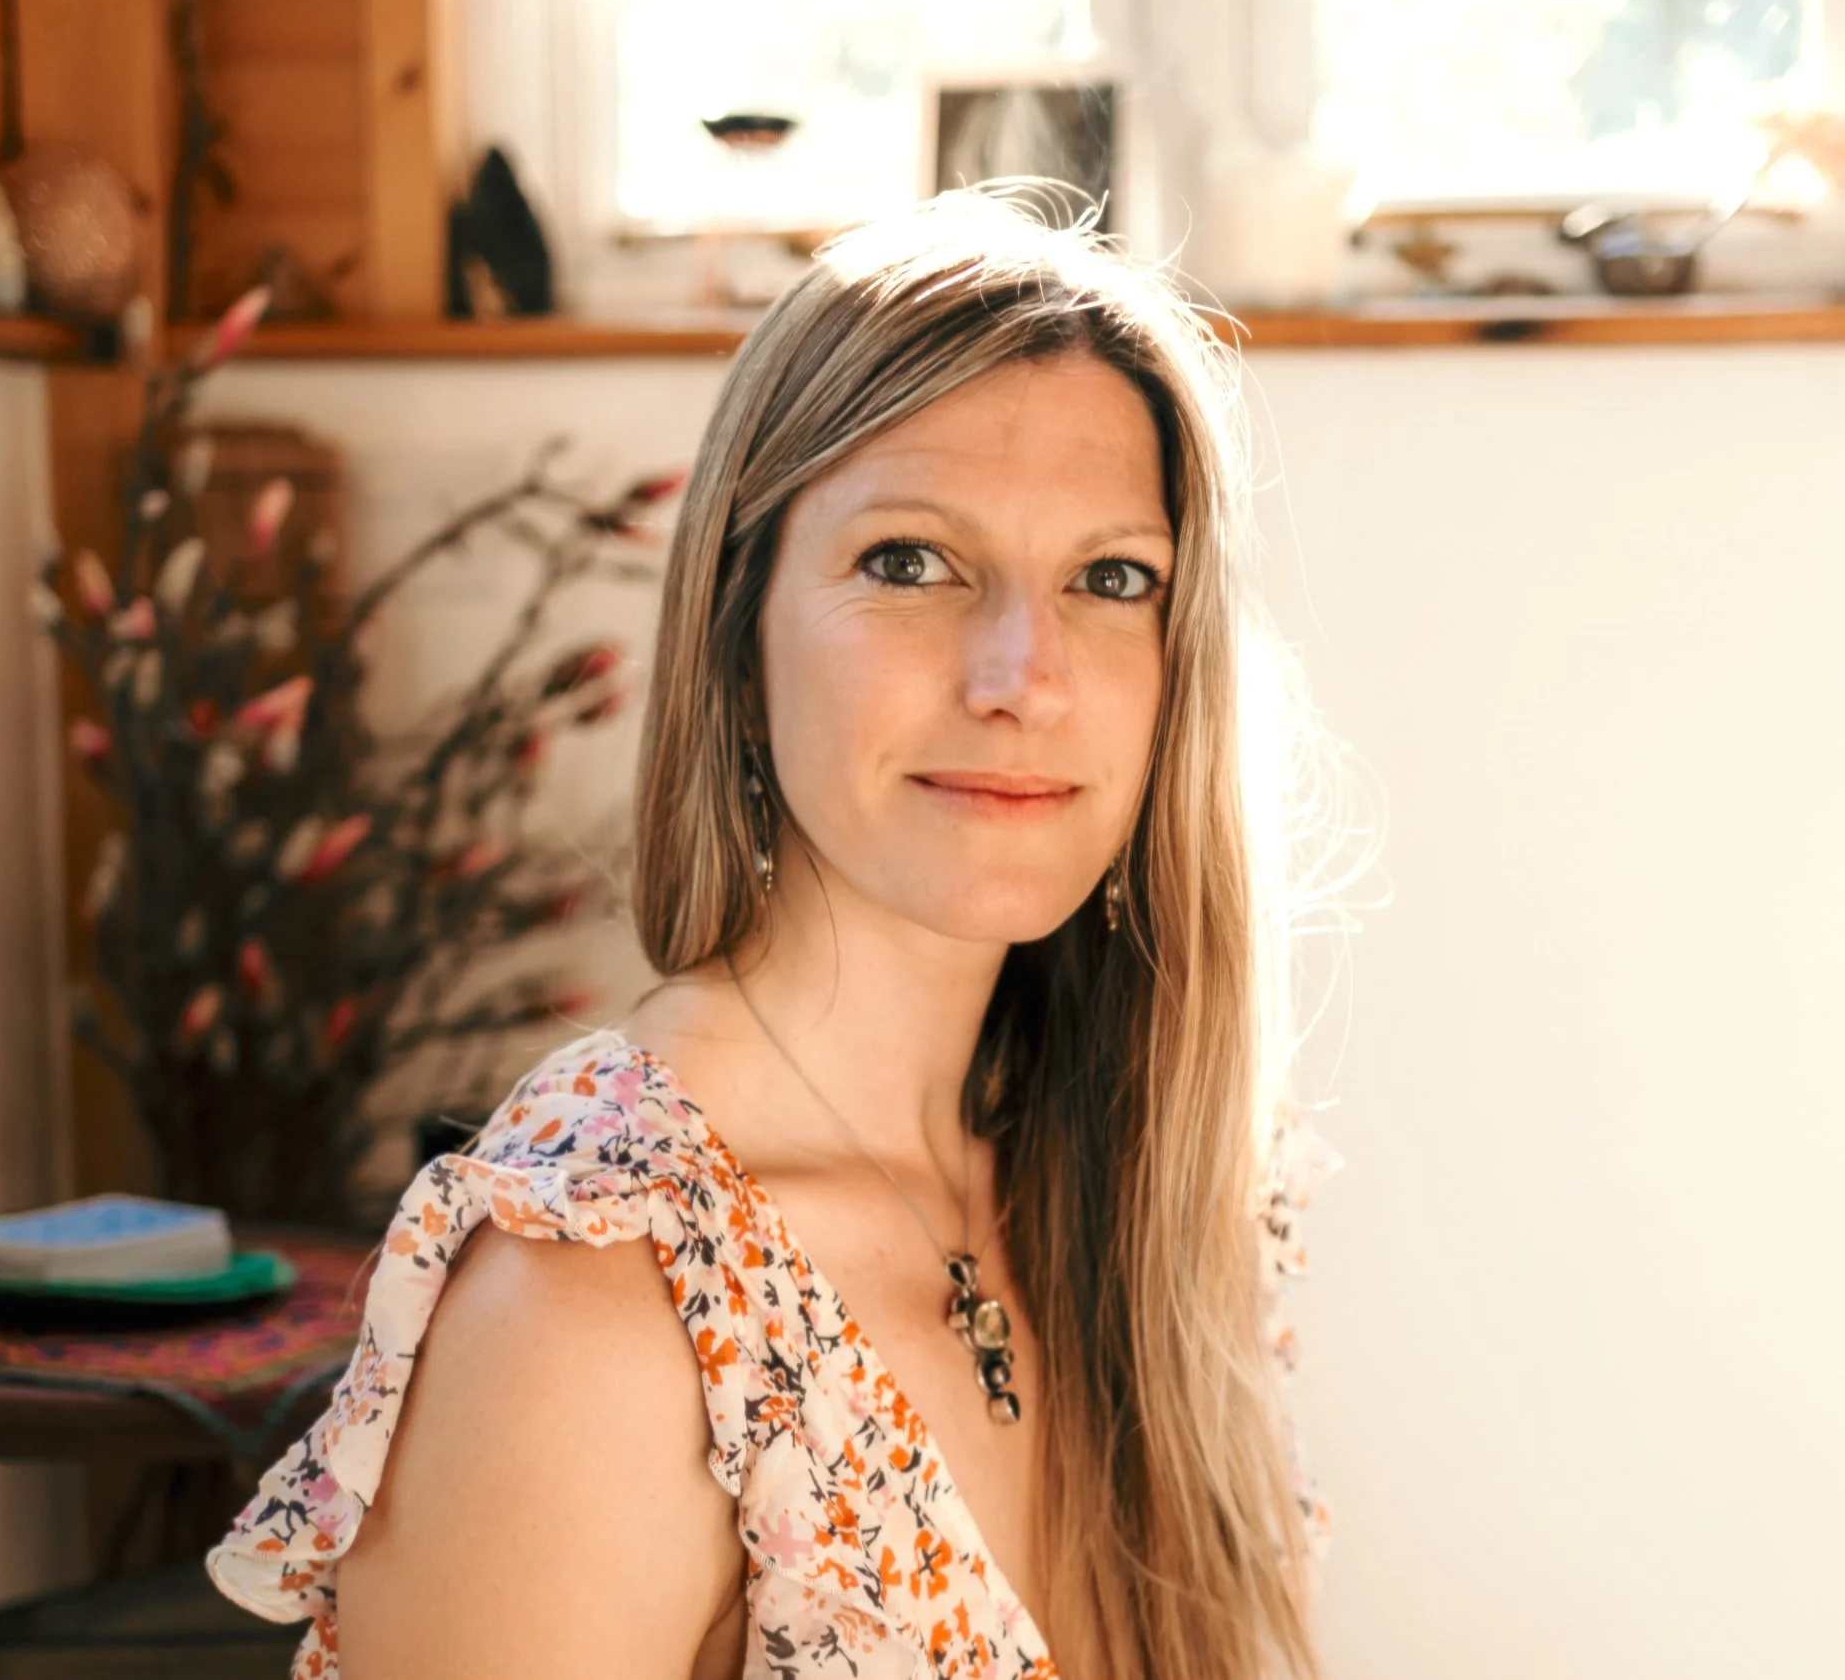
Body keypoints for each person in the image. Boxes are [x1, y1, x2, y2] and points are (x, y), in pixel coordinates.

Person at [205, 181, 1347, 1680]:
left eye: (1110, 578)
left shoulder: (1156, 1193)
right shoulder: (599, 1296)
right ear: (738, 637)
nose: (1025, 675)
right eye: (910, 562)